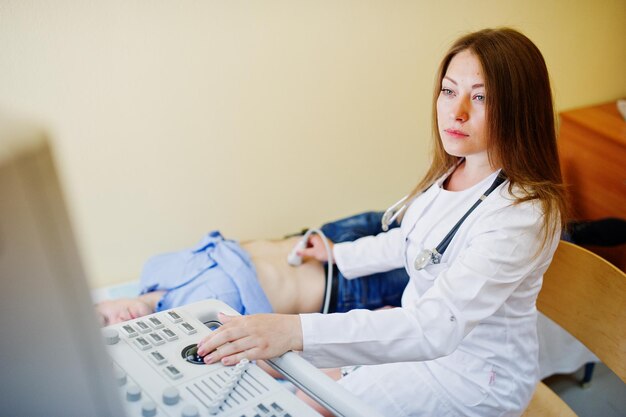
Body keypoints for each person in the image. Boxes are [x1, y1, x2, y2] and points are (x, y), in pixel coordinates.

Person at [195, 28, 569, 417]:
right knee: (287, 369)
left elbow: (436, 327)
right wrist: (339, 254)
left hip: (470, 379)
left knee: (310, 400)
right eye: (448, 91)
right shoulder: (458, 168)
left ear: (519, 108)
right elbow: (413, 243)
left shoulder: (522, 215)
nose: (456, 112)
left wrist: (293, 329)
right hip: (422, 340)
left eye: (480, 97)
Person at [96, 211, 410, 325]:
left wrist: (235, 263)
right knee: (441, 262)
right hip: (345, 287)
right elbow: (224, 249)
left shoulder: (154, 268)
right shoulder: (190, 327)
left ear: (101, 302)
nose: (118, 321)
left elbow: (224, 242)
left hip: (327, 236)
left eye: (103, 318)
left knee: (435, 213)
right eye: (115, 332)